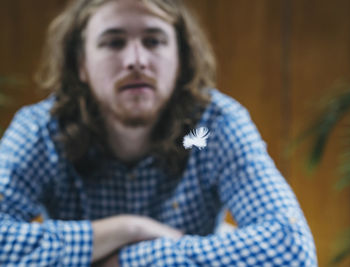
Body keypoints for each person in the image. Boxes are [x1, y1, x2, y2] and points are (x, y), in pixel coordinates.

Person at [0, 0, 317, 266]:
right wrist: (130, 228)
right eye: (113, 42)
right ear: (81, 64)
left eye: (154, 41)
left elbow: (292, 248)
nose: (136, 61)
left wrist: (126, 261)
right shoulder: (40, 130)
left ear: (180, 58)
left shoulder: (211, 127)